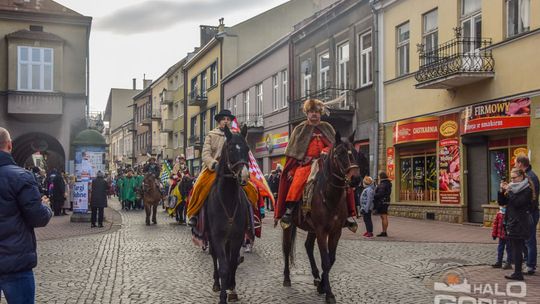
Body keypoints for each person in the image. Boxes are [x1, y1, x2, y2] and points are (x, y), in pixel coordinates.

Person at [275, 99, 357, 231]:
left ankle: (347, 214)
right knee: (297, 181)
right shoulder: (300, 129)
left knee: (344, 182)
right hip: (306, 164)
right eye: (311, 111)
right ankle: (289, 211)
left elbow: (335, 147)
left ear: (321, 113)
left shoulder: (327, 128)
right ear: (307, 113)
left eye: (317, 112)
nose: (314, 114)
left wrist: (326, 150)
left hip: (325, 164)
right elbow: (293, 153)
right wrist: (291, 170)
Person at [0, 127, 53, 303]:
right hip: (14, 262)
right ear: (9, 145)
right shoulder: (21, 177)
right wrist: (45, 207)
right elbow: (37, 217)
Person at [187, 109, 258, 227]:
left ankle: (252, 215)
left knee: (251, 188)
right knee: (199, 186)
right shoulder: (211, 135)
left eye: (228, 119)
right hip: (213, 168)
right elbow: (205, 154)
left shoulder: (236, 135)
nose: (226, 121)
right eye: (223, 119)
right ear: (219, 121)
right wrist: (213, 163)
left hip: (233, 168)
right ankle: (194, 214)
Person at [498, 167, 534, 280]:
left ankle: (519, 272)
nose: (512, 180)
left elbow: (518, 203)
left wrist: (508, 192)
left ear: (521, 176)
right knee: (516, 248)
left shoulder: (527, 190)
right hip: (511, 221)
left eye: (514, 178)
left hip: (520, 222)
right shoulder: (512, 188)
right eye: (511, 178)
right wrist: (501, 191)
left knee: (518, 247)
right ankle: (518, 272)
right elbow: (502, 202)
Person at [515, 155, 539, 275]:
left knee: (529, 240)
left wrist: (527, 211)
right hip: (529, 212)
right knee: (526, 239)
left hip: (530, 212)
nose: (515, 165)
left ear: (520, 164)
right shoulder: (529, 175)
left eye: (516, 163)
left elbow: (532, 197)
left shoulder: (530, 177)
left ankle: (530, 266)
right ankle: (528, 262)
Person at [373, 171, 392, 237]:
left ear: (381, 176)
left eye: (379, 176)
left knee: (384, 216)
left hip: (382, 202)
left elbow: (380, 193)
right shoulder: (387, 183)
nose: (378, 177)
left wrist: (374, 195)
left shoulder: (383, 184)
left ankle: (384, 232)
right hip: (386, 201)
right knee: (383, 216)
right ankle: (384, 231)